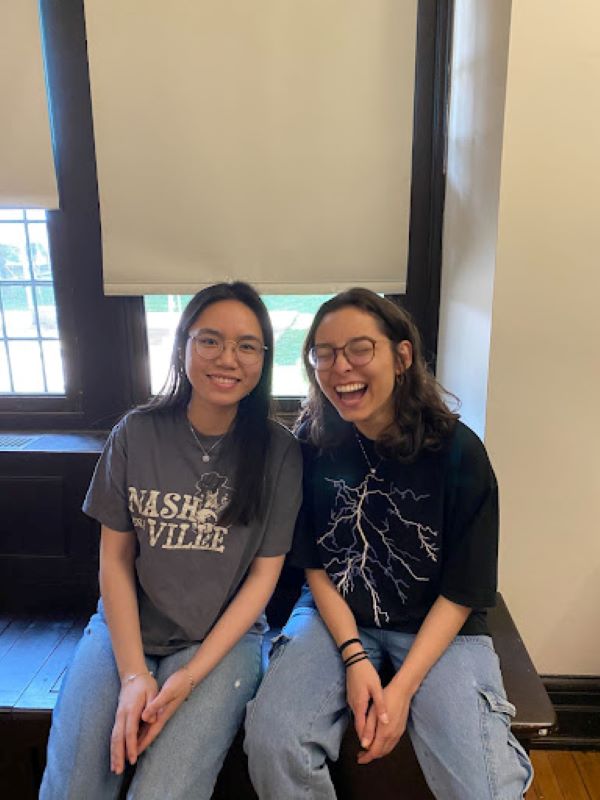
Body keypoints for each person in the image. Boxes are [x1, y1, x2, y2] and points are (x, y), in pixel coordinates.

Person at [245, 288, 533, 800]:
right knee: (273, 739)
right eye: (324, 353)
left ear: (401, 356)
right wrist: (355, 657)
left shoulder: (459, 452)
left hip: (439, 624)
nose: (340, 368)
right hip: (334, 612)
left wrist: (400, 691)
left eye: (359, 348)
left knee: (483, 788)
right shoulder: (313, 442)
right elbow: (316, 566)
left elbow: (465, 590)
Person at [40, 282, 302, 800]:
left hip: (222, 643)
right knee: (75, 785)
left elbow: (264, 578)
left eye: (247, 345)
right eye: (210, 340)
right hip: (126, 628)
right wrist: (134, 673)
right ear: (183, 345)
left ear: (263, 359)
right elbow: (113, 561)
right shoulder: (135, 434)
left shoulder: (279, 452)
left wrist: (187, 679)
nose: (228, 358)